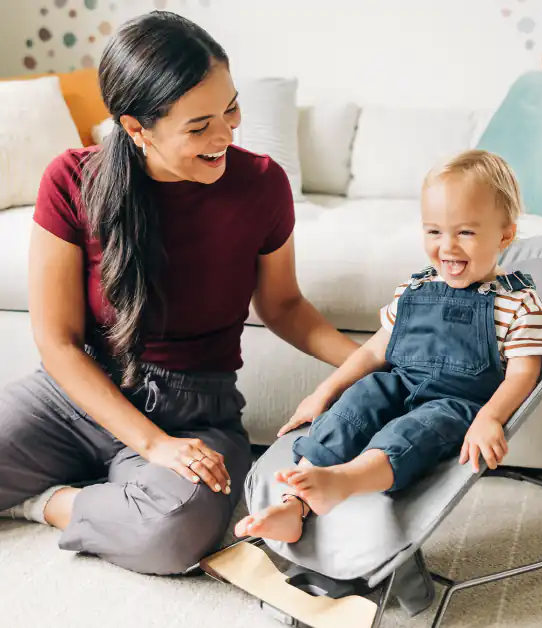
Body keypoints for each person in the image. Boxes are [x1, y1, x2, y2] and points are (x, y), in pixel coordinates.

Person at [0, 11, 358, 575]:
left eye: (231, 109)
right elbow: (58, 343)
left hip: (197, 413)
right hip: (76, 398)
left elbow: (283, 306)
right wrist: (150, 445)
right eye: (199, 126)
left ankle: (47, 503)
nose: (226, 135)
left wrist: (372, 360)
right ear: (137, 127)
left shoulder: (261, 184)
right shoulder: (71, 180)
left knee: (170, 535)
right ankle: (112, 489)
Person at [235, 149, 542, 544]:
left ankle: (343, 481)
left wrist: (490, 417)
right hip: (401, 384)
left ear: (505, 234)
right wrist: (324, 393)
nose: (448, 247)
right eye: (434, 231)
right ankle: (292, 505)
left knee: (413, 431)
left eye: (466, 233)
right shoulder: (416, 289)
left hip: (455, 404)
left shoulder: (517, 302)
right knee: (358, 401)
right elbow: (373, 352)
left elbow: (525, 371)